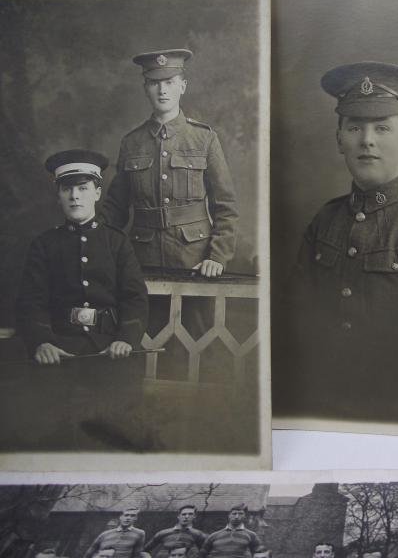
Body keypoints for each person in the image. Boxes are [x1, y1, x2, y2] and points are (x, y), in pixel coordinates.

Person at [282, 61, 398, 417]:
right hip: (317, 402)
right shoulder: (326, 219)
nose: (367, 140)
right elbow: (296, 316)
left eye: (382, 128)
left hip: (395, 410)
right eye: (355, 128)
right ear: (340, 140)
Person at [100, 48, 238, 277]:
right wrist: (91, 240)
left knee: (192, 315)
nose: (162, 90)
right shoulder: (132, 142)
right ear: (146, 88)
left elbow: (225, 207)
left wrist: (217, 257)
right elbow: (116, 208)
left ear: (183, 86)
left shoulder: (204, 138)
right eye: (154, 83)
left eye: (170, 82)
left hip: (195, 260)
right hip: (143, 259)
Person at [16, 150, 148, 364]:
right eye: (67, 189)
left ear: (97, 193)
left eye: (83, 188)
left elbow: (135, 298)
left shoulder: (117, 242)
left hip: (111, 348)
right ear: (58, 196)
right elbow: (31, 302)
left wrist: (126, 339)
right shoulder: (43, 245)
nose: (74, 196)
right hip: (58, 348)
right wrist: (42, 342)